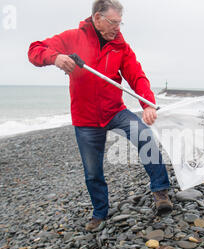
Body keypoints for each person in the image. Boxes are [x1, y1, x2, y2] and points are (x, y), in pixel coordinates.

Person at [28, 0, 173, 231]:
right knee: (92, 170)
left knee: (145, 137)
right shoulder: (73, 37)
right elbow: (34, 50)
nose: (118, 27)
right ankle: (100, 212)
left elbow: (136, 76)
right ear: (97, 18)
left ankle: (161, 192)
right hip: (85, 119)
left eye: (120, 22)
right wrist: (54, 57)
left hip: (115, 111)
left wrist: (148, 104)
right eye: (113, 22)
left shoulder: (120, 46)